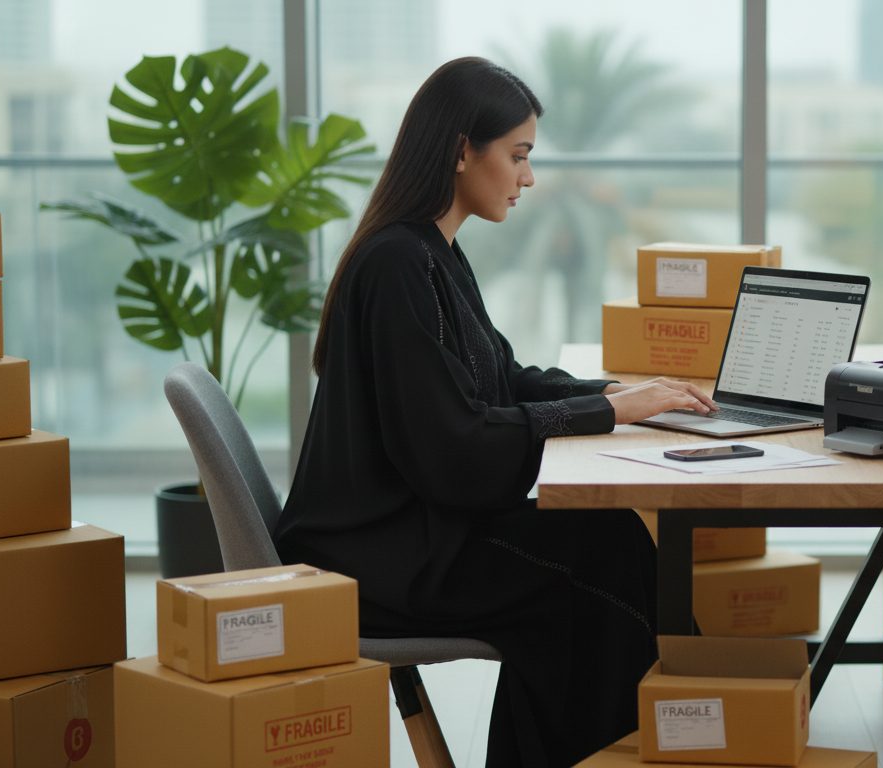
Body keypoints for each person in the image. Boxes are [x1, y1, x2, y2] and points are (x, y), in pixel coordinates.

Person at [274, 57, 716, 766]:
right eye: (518, 155)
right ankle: (670, 739)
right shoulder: (397, 265)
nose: (528, 177)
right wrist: (609, 413)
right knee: (598, 566)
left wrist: (612, 396)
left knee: (614, 539)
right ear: (461, 151)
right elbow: (452, 447)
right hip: (378, 557)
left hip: (417, 533)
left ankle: (692, 733)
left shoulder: (434, 253)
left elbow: (502, 380)